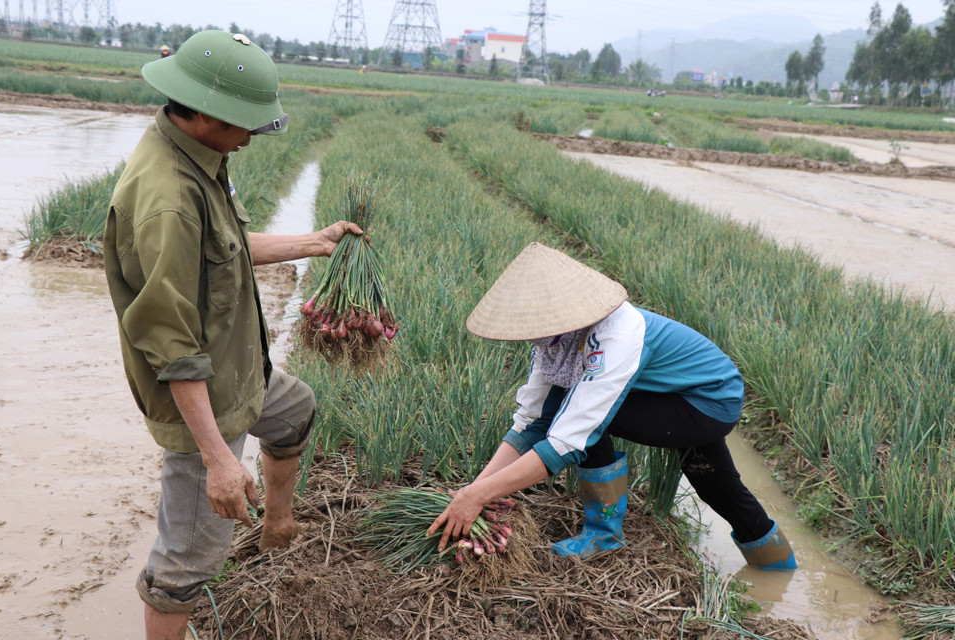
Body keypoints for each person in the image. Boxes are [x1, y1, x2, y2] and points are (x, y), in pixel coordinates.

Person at [103, 30, 363, 640]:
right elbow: (173, 347)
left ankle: (277, 525)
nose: (251, 137)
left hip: (240, 371)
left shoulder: (200, 157)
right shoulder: (166, 198)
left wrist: (311, 242)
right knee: (186, 561)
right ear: (204, 114)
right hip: (205, 401)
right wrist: (220, 457)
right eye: (245, 124)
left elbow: (224, 250)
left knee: (295, 410)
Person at [427, 242, 796, 571]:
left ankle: (603, 534)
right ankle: (778, 564)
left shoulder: (616, 334)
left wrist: (480, 496)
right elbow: (531, 422)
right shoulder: (555, 344)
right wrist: (476, 489)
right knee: (714, 482)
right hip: (669, 395)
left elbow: (570, 438)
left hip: (707, 401)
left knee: (582, 419)